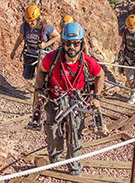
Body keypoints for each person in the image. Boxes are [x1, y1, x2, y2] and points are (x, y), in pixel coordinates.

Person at [34, 22, 105, 176]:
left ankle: (74, 167)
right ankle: (55, 157)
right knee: (52, 132)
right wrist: (39, 91)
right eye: (67, 43)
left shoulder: (86, 61)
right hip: (54, 99)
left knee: (75, 133)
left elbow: (100, 74)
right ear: (63, 43)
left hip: (76, 102)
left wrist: (96, 96)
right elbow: (41, 71)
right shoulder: (52, 59)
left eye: (76, 43)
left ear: (81, 43)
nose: (71, 47)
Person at [10, 5, 60, 80]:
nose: (30, 24)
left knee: (41, 76)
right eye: (28, 21)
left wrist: (46, 44)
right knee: (27, 76)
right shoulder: (24, 26)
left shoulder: (46, 28)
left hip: (43, 54)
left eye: (32, 21)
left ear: (38, 19)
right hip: (30, 53)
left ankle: (41, 84)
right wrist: (13, 50)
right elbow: (20, 39)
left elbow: (57, 36)